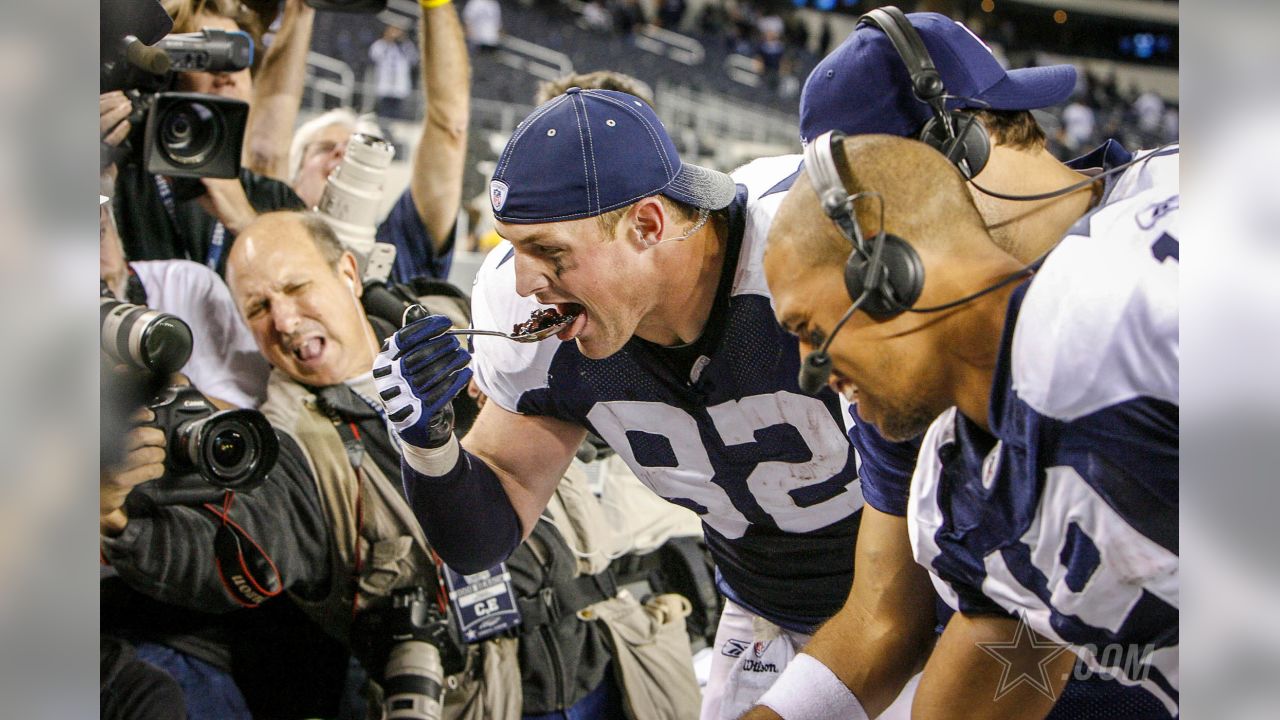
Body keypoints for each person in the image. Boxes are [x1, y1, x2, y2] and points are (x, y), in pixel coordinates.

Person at [371, 88, 870, 720]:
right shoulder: (531, 312)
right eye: (515, 247)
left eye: (550, 252)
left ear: (647, 224)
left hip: (919, 588)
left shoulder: (807, 248)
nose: (524, 282)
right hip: (762, 607)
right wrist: (430, 445)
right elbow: (484, 532)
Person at [102, 210, 700, 720]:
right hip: (488, 697)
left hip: (625, 661)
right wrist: (117, 519)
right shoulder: (281, 448)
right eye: (257, 307)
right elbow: (227, 555)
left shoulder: (460, 331)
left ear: (347, 272)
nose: (283, 321)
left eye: (296, 287)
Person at [749, 131, 1178, 718]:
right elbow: (996, 661)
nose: (809, 368)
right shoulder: (957, 491)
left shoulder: (1137, 308)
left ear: (884, 274)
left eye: (807, 327)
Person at [104, 0, 306, 275]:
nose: (226, 73)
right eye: (203, 57)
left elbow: (313, 289)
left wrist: (245, 221)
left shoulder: (274, 199)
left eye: (238, 57)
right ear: (164, 75)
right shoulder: (119, 182)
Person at [284, 0, 470, 283]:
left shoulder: (400, 244)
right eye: (325, 148)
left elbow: (449, 127)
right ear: (293, 174)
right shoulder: (268, 245)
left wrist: (436, 5)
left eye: (358, 153)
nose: (343, 155)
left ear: (379, 183)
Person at [100, 192, 269, 409]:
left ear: (113, 227)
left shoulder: (186, 284)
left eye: (98, 233)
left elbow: (249, 413)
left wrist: (168, 391)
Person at [368, 24, 417, 120]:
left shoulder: (406, 46)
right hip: (385, 86)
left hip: (399, 86)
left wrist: (403, 41)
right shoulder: (381, 44)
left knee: (397, 114)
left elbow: (414, 59)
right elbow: (374, 54)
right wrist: (388, 40)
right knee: (384, 113)